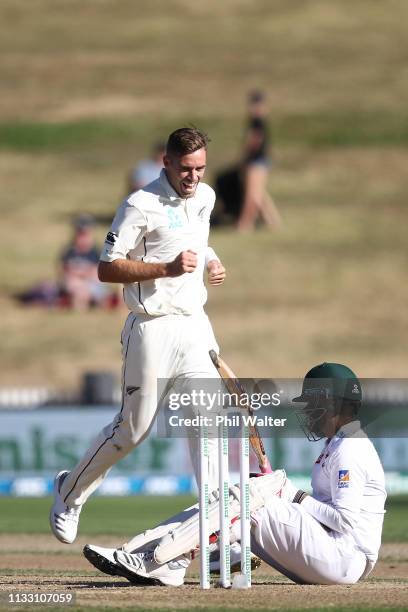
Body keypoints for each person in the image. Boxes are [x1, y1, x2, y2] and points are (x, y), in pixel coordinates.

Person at [49, 127, 226, 545]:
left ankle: (216, 532)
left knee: (208, 425)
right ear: (166, 161)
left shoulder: (206, 197)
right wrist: (164, 269)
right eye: (185, 169)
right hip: (151, 325)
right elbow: (106, 268)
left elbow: (198, 239)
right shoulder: (140, 204)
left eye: (200, 168)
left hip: (195, 323)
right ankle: (69, 492)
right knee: (134, 428)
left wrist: (214, 261)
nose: (193, 177)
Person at [81, 362, 386, 587]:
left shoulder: (351, 449)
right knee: (238, 496)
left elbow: (345, 522)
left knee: (247, 498)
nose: (307, 413)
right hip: (330, 555)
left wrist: (291, 495)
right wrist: (275, 490)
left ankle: (158, 560)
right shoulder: (338, 444)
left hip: (343, 560)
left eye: (312, 405)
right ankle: (144, 553)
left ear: (331, 403)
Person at [237, 90, 281, 231]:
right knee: (260, 194)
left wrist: (245, 158)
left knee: (253, 195)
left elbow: (254, 142)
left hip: (256, 162)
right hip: (261, 161)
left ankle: (245, 225)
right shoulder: (261, 120)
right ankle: (273, 222)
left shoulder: (256, 121)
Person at [59, 214, 111, 310]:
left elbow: (97, 273)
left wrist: (80, 272)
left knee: (102, 293)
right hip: (76, 284)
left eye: (85, 235)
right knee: (78, 290)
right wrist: (85, 273)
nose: (83, 238)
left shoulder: (95, 251)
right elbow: (65, 272)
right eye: (80, 235)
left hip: (92, 283)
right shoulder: (69, 251)